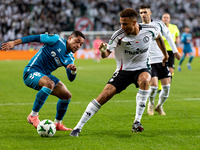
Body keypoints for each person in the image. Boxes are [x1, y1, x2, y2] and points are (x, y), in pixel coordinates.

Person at [70, 8, 169, 137]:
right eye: (121, 23)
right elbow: (105, 55)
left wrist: (165, 55)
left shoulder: (149, 30)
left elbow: (159, 38)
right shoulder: (118, 35)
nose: (122, 26)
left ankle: (137, 122)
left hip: (142, 68)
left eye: (125, 24)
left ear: (134, 23)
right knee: (104, 96)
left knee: (145, 80)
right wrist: (102, 50)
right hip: (123, 71)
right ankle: (78, 127)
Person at [1, 31, 85, 130]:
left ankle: (57, 124)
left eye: (81, 44)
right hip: (31, 71)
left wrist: (73, 71)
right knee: (49, 83)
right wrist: (14, 43)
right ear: (70, 38)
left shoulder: (70, 58)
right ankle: (33, 116)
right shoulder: (56, 39)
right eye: (77, 41)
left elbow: (71, 79)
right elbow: (34, 37)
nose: (78, 45)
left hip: (45, 75)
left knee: (66, 96)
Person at [139, 5, 181, 115]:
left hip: (161, 59)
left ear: (150, 13)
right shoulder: (138, 27)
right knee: (153, 87)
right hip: (149, 61)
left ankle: (159, 106)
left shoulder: (158, 24)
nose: (143, 15)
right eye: (141, 13)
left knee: (167, 87)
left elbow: (168, 36)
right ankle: (151, 104)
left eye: (145, 12)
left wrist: (175, 51)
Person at [158, 13, 180, 93]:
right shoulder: (159, 28)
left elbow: (177, 35)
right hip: (161, 51)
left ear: (169, 19)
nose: (166, 19)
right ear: (162, 19)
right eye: (164, 17)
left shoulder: (174, 27)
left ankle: (167, 82)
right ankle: (160, 88)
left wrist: (177, 39)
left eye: (167, 17)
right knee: (160, 69)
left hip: (170, 51)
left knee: (171, 70)